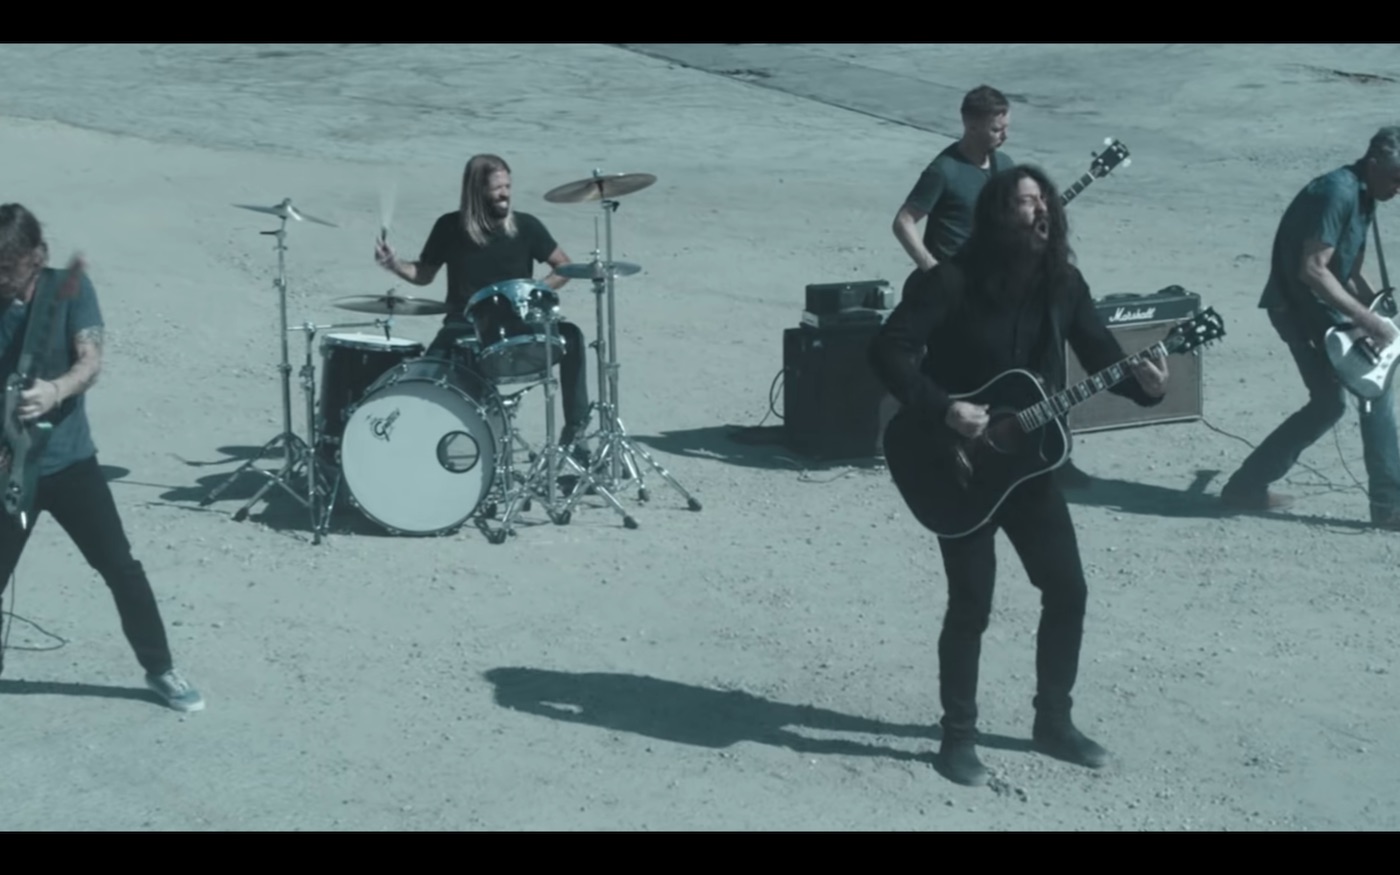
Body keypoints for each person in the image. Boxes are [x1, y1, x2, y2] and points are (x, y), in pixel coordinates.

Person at [868, 166, 1169, 787]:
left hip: (1026, 467)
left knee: (1068, 590)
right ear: (997, 215)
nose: (1040, 212)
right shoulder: (950, 281)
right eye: (1025, 202)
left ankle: (1053, 723)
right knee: (971, 604)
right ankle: (958, 738)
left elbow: (1102, 356)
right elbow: (887, 350)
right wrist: (944, 409)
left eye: (1045, 202)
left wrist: (1148, 388)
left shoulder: (1063, 285)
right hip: (950, 462)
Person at [0, 203, 203, 712]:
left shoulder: (68, 288)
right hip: (7, 469)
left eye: (7, 267)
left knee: (120, 568)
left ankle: (160, 669)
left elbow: (90, 362)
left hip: (70, 465)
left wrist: (55, 390)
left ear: (37, 256)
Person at [1220, 127, 1400, 527]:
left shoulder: (1365, 196)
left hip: (1320, 311)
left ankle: (1245, 487)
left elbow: (1349, 271)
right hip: (1299, 311)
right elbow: (1314, 270)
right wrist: (1368, 321)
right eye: (1396, 178)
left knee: (1328, 405)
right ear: (1373, 164)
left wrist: (1382, 316)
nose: (1399, 188)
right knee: (1372, 390)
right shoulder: (1336, 193)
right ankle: (1389, 506)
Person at [374, 154, 592, 453]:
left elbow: (563, 266)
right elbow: (424, 274)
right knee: (425, 379)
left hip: (517, 325)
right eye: (497, 188)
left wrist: (534, 290)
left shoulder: (526, 226)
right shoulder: (449, 227)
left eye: (508, 186)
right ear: (476, 191)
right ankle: (422, 448)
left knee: (572, 337)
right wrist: (395, 264)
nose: (505, 194)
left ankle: (575, 432)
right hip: (463, 325)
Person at [892, 85, 1015, 276]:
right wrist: (933, 270)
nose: (1005, 136)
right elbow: (903, 222)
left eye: (1006, 128)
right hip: (954, 279)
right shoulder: (944, 171)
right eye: (996, 130)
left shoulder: (1005, 166)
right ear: (971, 127)